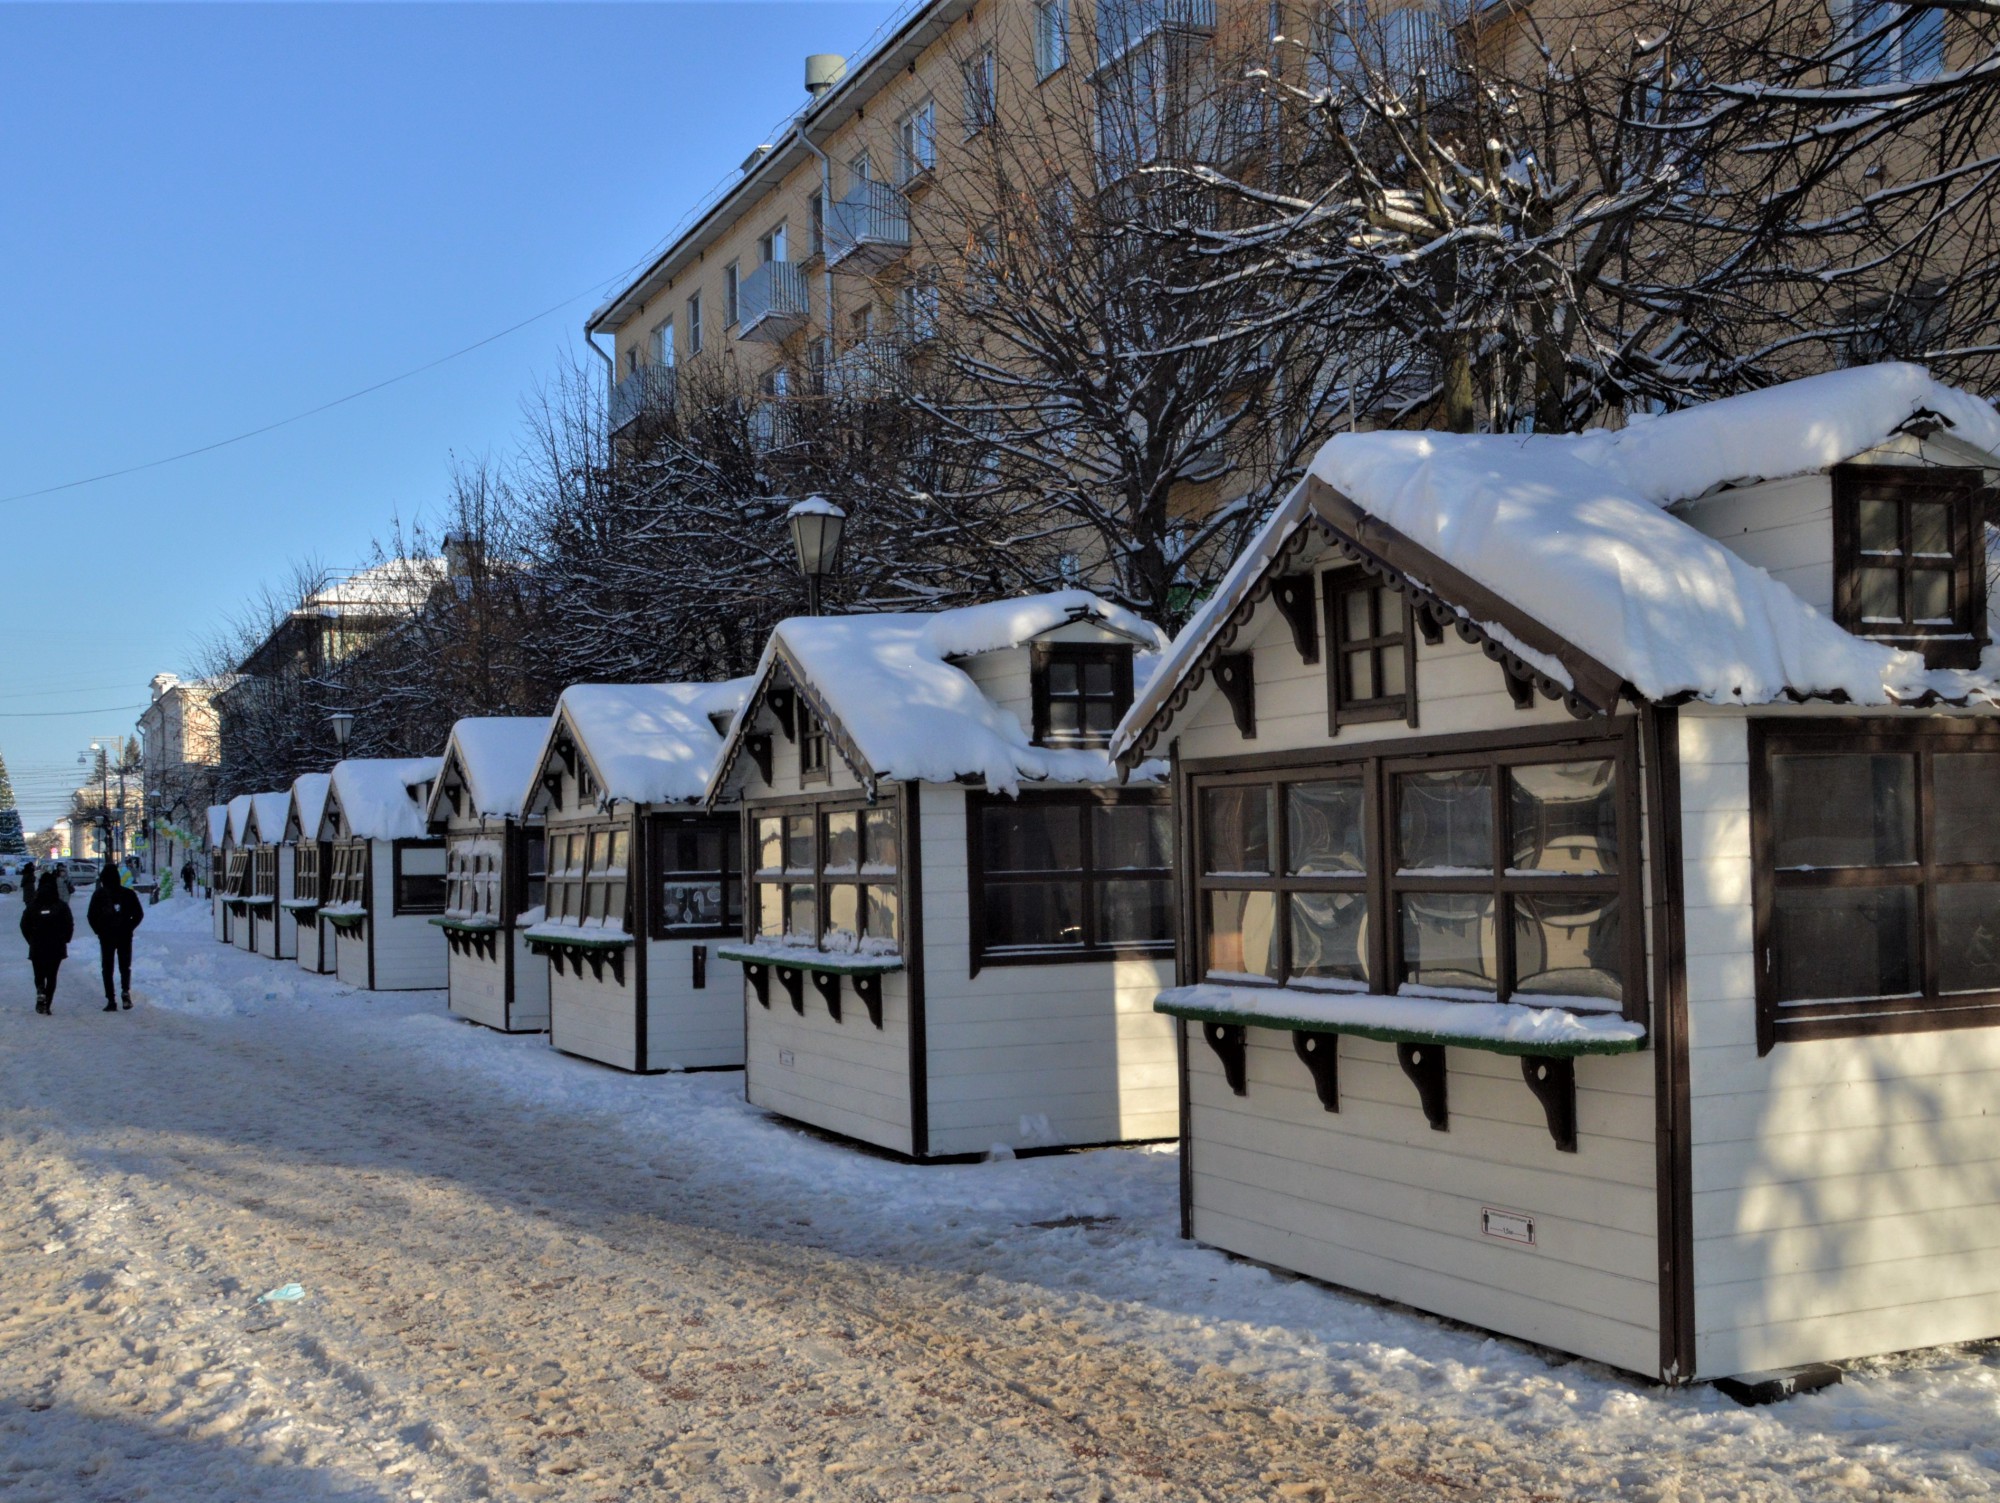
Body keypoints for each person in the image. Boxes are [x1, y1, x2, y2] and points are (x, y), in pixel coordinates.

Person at [87, 863, 144, 1011]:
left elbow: (91, 916)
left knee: (107, 967)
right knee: (125, 966)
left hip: (106, 936)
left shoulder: (99, 894)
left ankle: (111, 999)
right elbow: (138, 914)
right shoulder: (128, 893)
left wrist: (99, 930)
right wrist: (129, 926)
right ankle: (125, 992)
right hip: (124, 935)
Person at [20, 873, 73, 1015]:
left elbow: (24, 924)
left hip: (37, 944)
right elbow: (69, 924)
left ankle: (40, 990)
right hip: (56, 945)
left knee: (38, 973)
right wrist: (65, 939)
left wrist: (30, 940)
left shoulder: (33, 905)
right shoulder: (60, 905)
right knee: (52, 975)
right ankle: (47, 1004)